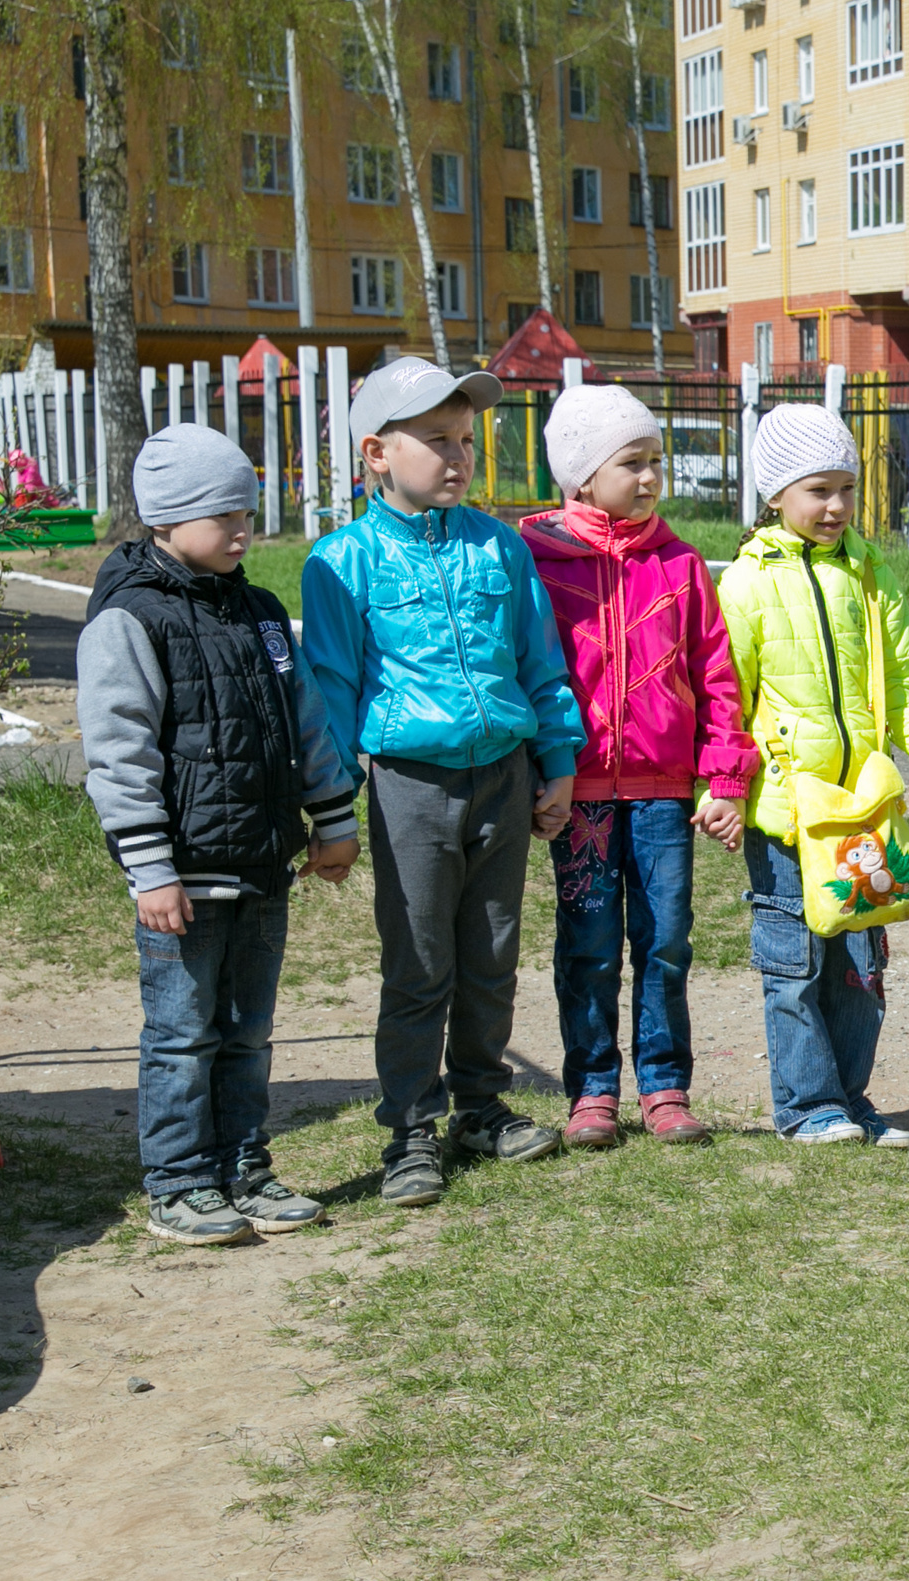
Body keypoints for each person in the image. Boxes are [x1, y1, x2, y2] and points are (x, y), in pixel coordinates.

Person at [304, 358, 585, 1207]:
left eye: (467, 440)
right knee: (420, 958)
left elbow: (540, 662)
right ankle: (409, 1128)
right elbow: (327, 691)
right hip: (409, 785)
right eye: (436, 441)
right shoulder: (341, 562)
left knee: (492, 951)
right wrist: (330, 806)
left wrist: (558, 761)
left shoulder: (499, 545)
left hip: (504, 775)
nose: (459, 457)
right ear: (376, 453)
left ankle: (481, 1104)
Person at [79, 426, 360, 1244]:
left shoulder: (262, 613)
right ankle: (179, 1181)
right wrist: (150, 870)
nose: (242, 528)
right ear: (167, 517)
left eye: (246, 510)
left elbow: (304, 722)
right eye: (222, 514)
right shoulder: (129, 621)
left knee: (248, 1031)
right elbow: (119, 756)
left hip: (264, 869)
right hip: (184, 880)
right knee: (181, 1034)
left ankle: (245, 1166)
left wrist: (332, 818)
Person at [521, 385, 757, 1146]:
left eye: (656, 460)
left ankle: (664, 1086)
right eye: (633, 462)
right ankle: (591, 1089)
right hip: (577, 792)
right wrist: (536, 771)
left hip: (661, 793)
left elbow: (718, 675)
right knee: (587, 944)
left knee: (665, 939)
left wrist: (725, 778)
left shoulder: (682, 564)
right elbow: (525, 670)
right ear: (581, 475)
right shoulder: (535, 561)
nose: (652, 476)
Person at [722, 405, 909, 1146]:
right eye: (819, 489)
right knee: (794, 963)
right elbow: (727, 697)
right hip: (791, 814)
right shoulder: (748, 584)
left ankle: (852, 1099)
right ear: (775, 495)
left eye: (847, 489)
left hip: (866, 812)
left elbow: (903, 687)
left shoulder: (871, 575)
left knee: (861, 964)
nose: (838, 507)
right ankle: (807, 1105)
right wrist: (722, 790)